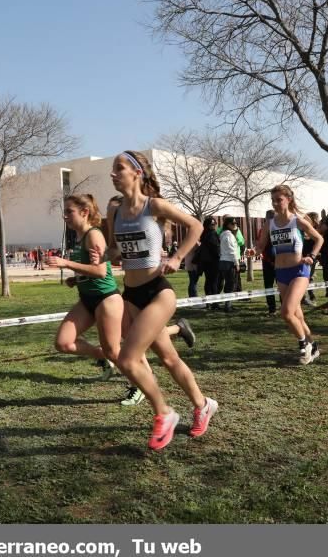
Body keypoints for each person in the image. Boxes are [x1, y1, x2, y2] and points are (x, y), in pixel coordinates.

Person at [107, 150, 217, 450]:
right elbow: (116, 250)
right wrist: (109, 254)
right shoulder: (114, 211)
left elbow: (197, 226)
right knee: (168, 358)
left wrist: (179, 257)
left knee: (127, 358)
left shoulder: (153, 206)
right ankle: (203, 404)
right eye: (112, 169)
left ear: (137, 172)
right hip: (131, 295)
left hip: (158, 291)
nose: (113, 174)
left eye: (119, 168)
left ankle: (164, 413)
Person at [46, 194, 124, 384]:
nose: (65, 216)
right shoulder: (80, 236)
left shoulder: (94, 234)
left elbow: (101, 272)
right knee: (63, 342)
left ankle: (138, 384)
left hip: (106, 299)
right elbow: (91, 269)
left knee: (114, 350)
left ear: (84, 212)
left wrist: (66, 263)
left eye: (69, 212)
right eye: (64, 212)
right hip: (87, 299)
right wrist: (78, 279)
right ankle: (102, 357)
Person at [248, 185, 324, 364]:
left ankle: (303, 346)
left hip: (299, 271)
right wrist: (254, 251)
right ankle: (313, 346)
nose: (275, 203)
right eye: (273, 200)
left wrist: (311, 256)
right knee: (297, 317)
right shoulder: (270, 223)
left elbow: (319, 238)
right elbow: (261, 246)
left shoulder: (297, 221)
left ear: (288, 200)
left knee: (286, 313)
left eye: (279, 200)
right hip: (280, 273)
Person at [196, 216, 221, 308]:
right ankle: (214, 303)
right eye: (212, 224)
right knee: (214, 282)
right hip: (213, 261)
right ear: (207, 225)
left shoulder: (204, 234)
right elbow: (216, 248)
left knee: (209, 281)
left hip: (205, 262)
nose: (214, 226)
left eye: (215, 224)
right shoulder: (212, 234)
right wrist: (220, 256)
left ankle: (208, 303)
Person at [257, 210, 277, 315]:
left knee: (269, 286)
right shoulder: (280, 229)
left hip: (269, 261)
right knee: (281, 284)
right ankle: (282, 307)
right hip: (276, 260)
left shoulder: (262, 230)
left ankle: (272, 309)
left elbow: (261, 246)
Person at [218, 216, 240, 312]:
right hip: (229, 262)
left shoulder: (223, 234)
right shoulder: (229, 236)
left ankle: (228, 304)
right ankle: (228, 306)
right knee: (230, 284)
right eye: (233, 223)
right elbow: (232, 250)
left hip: (223, 261)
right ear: (228, 225)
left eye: (236, 223)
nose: (235, 225)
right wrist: (236, 262)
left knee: (228, 283)